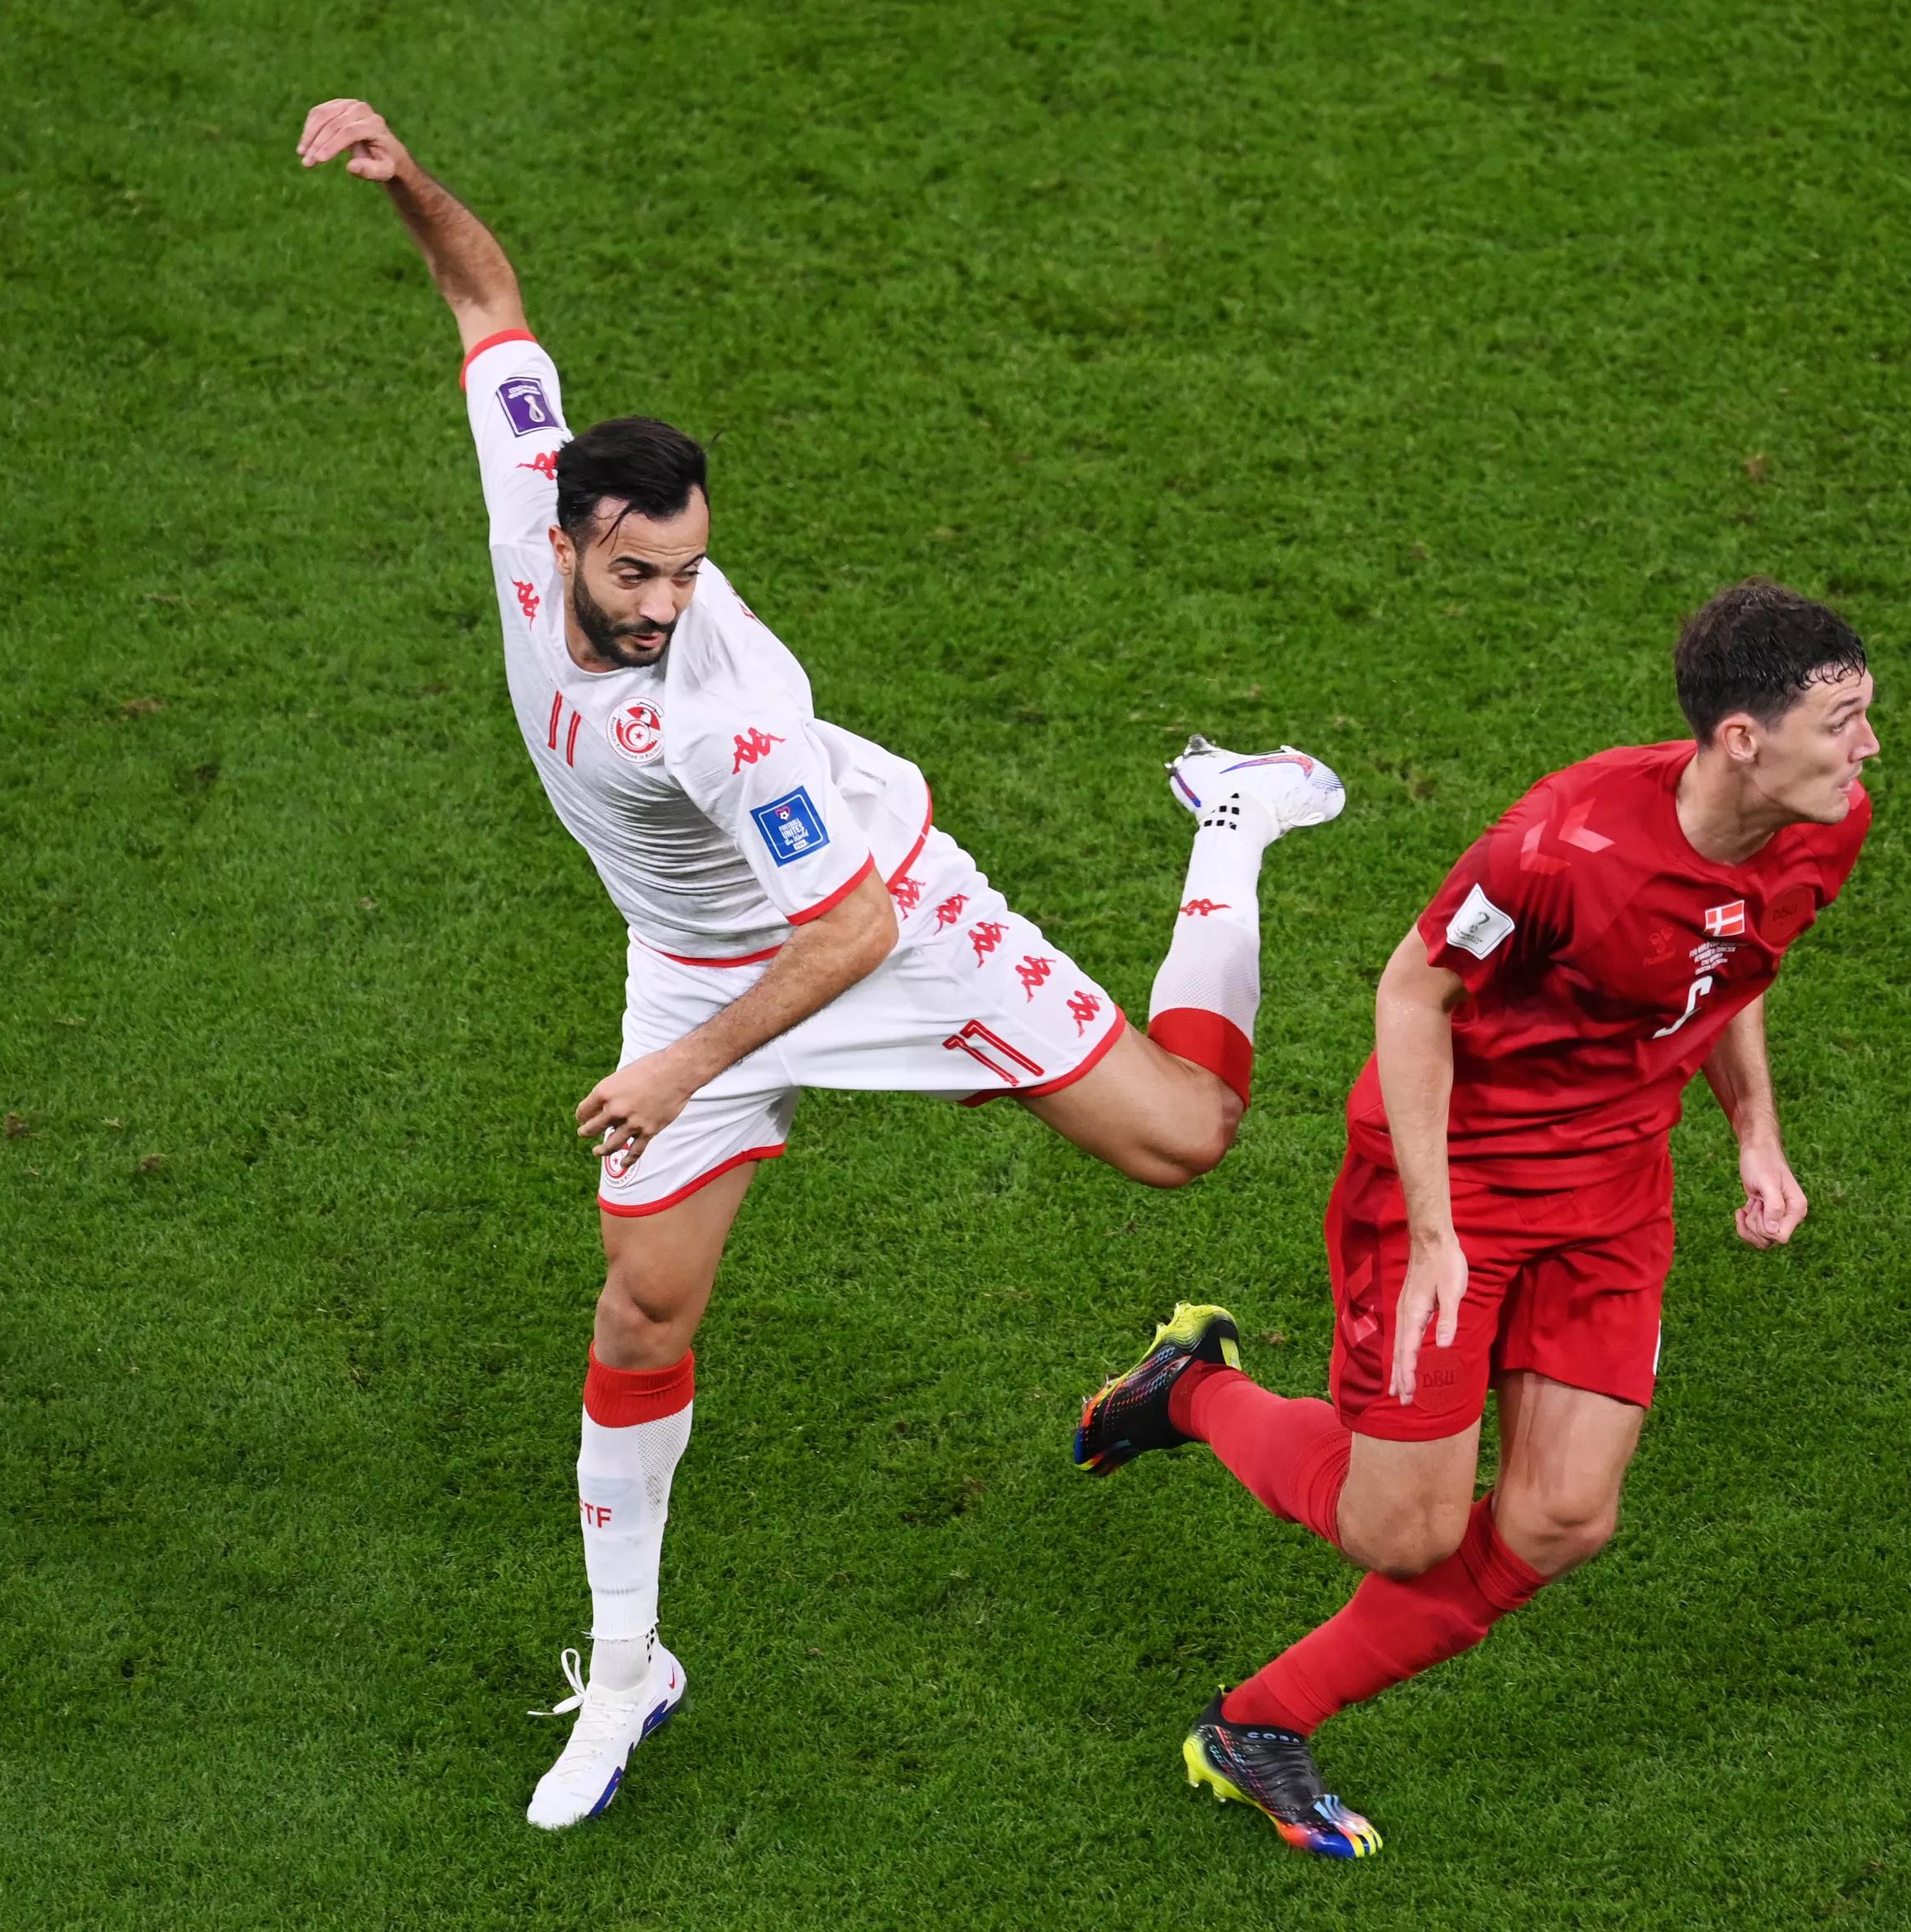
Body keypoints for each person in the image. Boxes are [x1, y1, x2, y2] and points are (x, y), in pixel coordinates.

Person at [295, 99, 1346, 1830]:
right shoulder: (526, 499)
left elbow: (845, 929)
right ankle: (629, 1667)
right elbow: (491, 313)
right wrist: (411, 182)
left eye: (690, 568)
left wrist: (678, 1069)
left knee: (1185, 1144)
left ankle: (1225, 824)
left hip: (887, 928)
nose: (662, 599)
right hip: (696, 955)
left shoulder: (727, 715)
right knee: (643, 1300)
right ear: (559, 534)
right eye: (636, 570)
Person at [1073, 581, 1878, 1857]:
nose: (1866, 747)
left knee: (1565, 1516)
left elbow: (1731, 968)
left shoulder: (1825, 824)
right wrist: (1440, 1229)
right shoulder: (1561, 846)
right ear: (1741, 737)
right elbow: (1411, 997)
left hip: (1614, 1194)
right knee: (1405, 1529)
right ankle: (1191, 1390)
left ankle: (1257, 1722)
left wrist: (1756, 1132)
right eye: (1841, 720)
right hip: (1453, 1182)